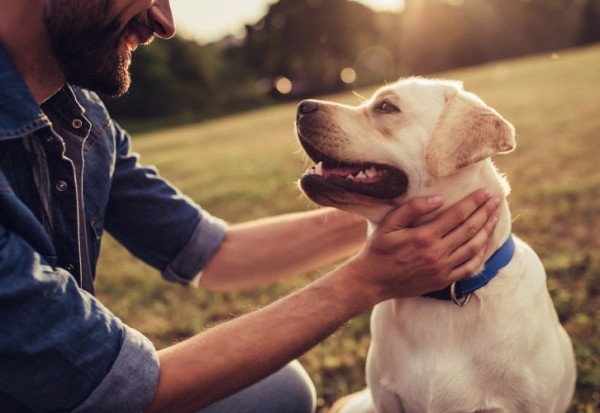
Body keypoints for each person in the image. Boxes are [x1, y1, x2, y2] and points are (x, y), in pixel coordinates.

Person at [0, 1, 500, 412]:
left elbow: (215, 252)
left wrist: (408, 208)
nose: (166, 22)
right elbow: (118, 393)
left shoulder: (83, 120)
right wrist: (366, 279)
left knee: (279, 391)